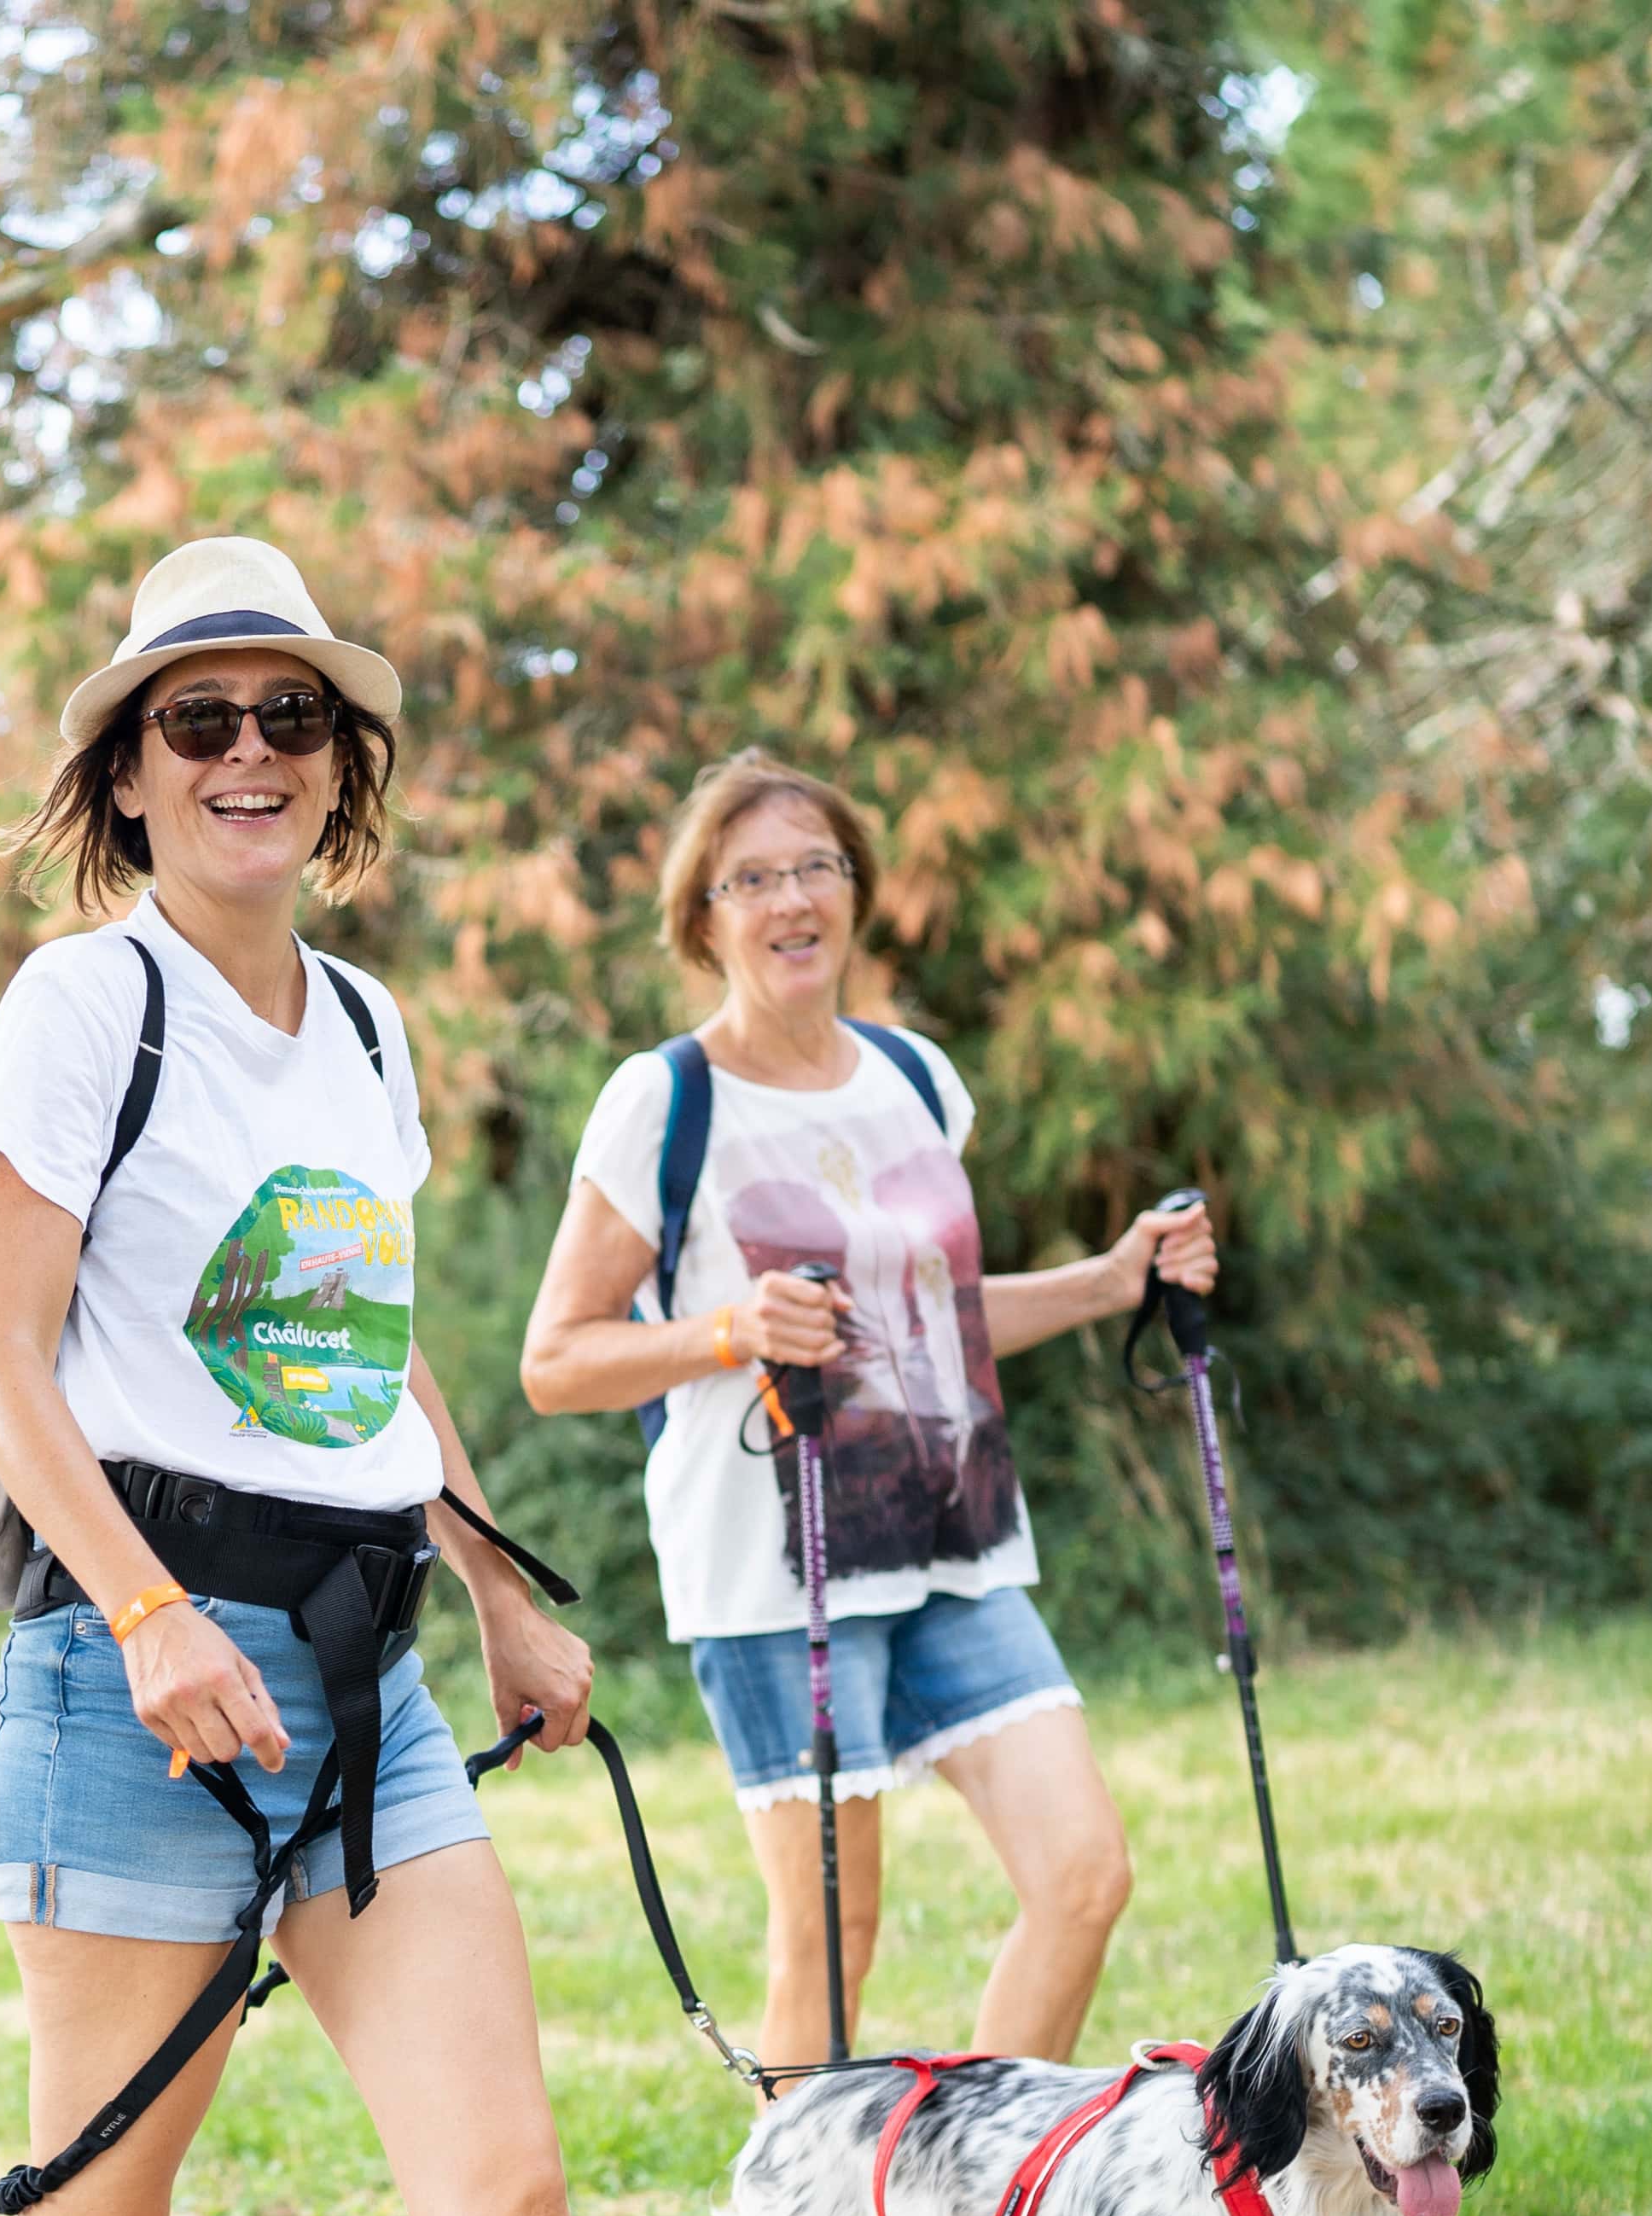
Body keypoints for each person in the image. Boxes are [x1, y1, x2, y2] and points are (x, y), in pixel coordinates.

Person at [0, 538, 902, 2216]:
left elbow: (362, 1357)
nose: (248, 756)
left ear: (341, 769)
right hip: (138, 1676)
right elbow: (15, 1365)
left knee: (509, 2208)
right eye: (196, 721)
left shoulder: (357, 1031)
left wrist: (495, 1579)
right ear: (124, 774)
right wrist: (140, 1617)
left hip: (367, 1691)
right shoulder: (81, 1003)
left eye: (290, 720)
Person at [515, 750, 1219, 2062]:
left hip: (956, 1541)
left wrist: (1111, 1279)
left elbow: (934, 1322)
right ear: (703, 915)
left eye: (817, 869)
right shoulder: (665, 1101)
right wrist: (732, 1329)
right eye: (754, 877)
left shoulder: (914, 1077)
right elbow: (555, 1361)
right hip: (781, 1578)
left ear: (856, 893)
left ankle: (979, 2200)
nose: (792, 901)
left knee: (1083, 1877)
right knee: (829, 1951)